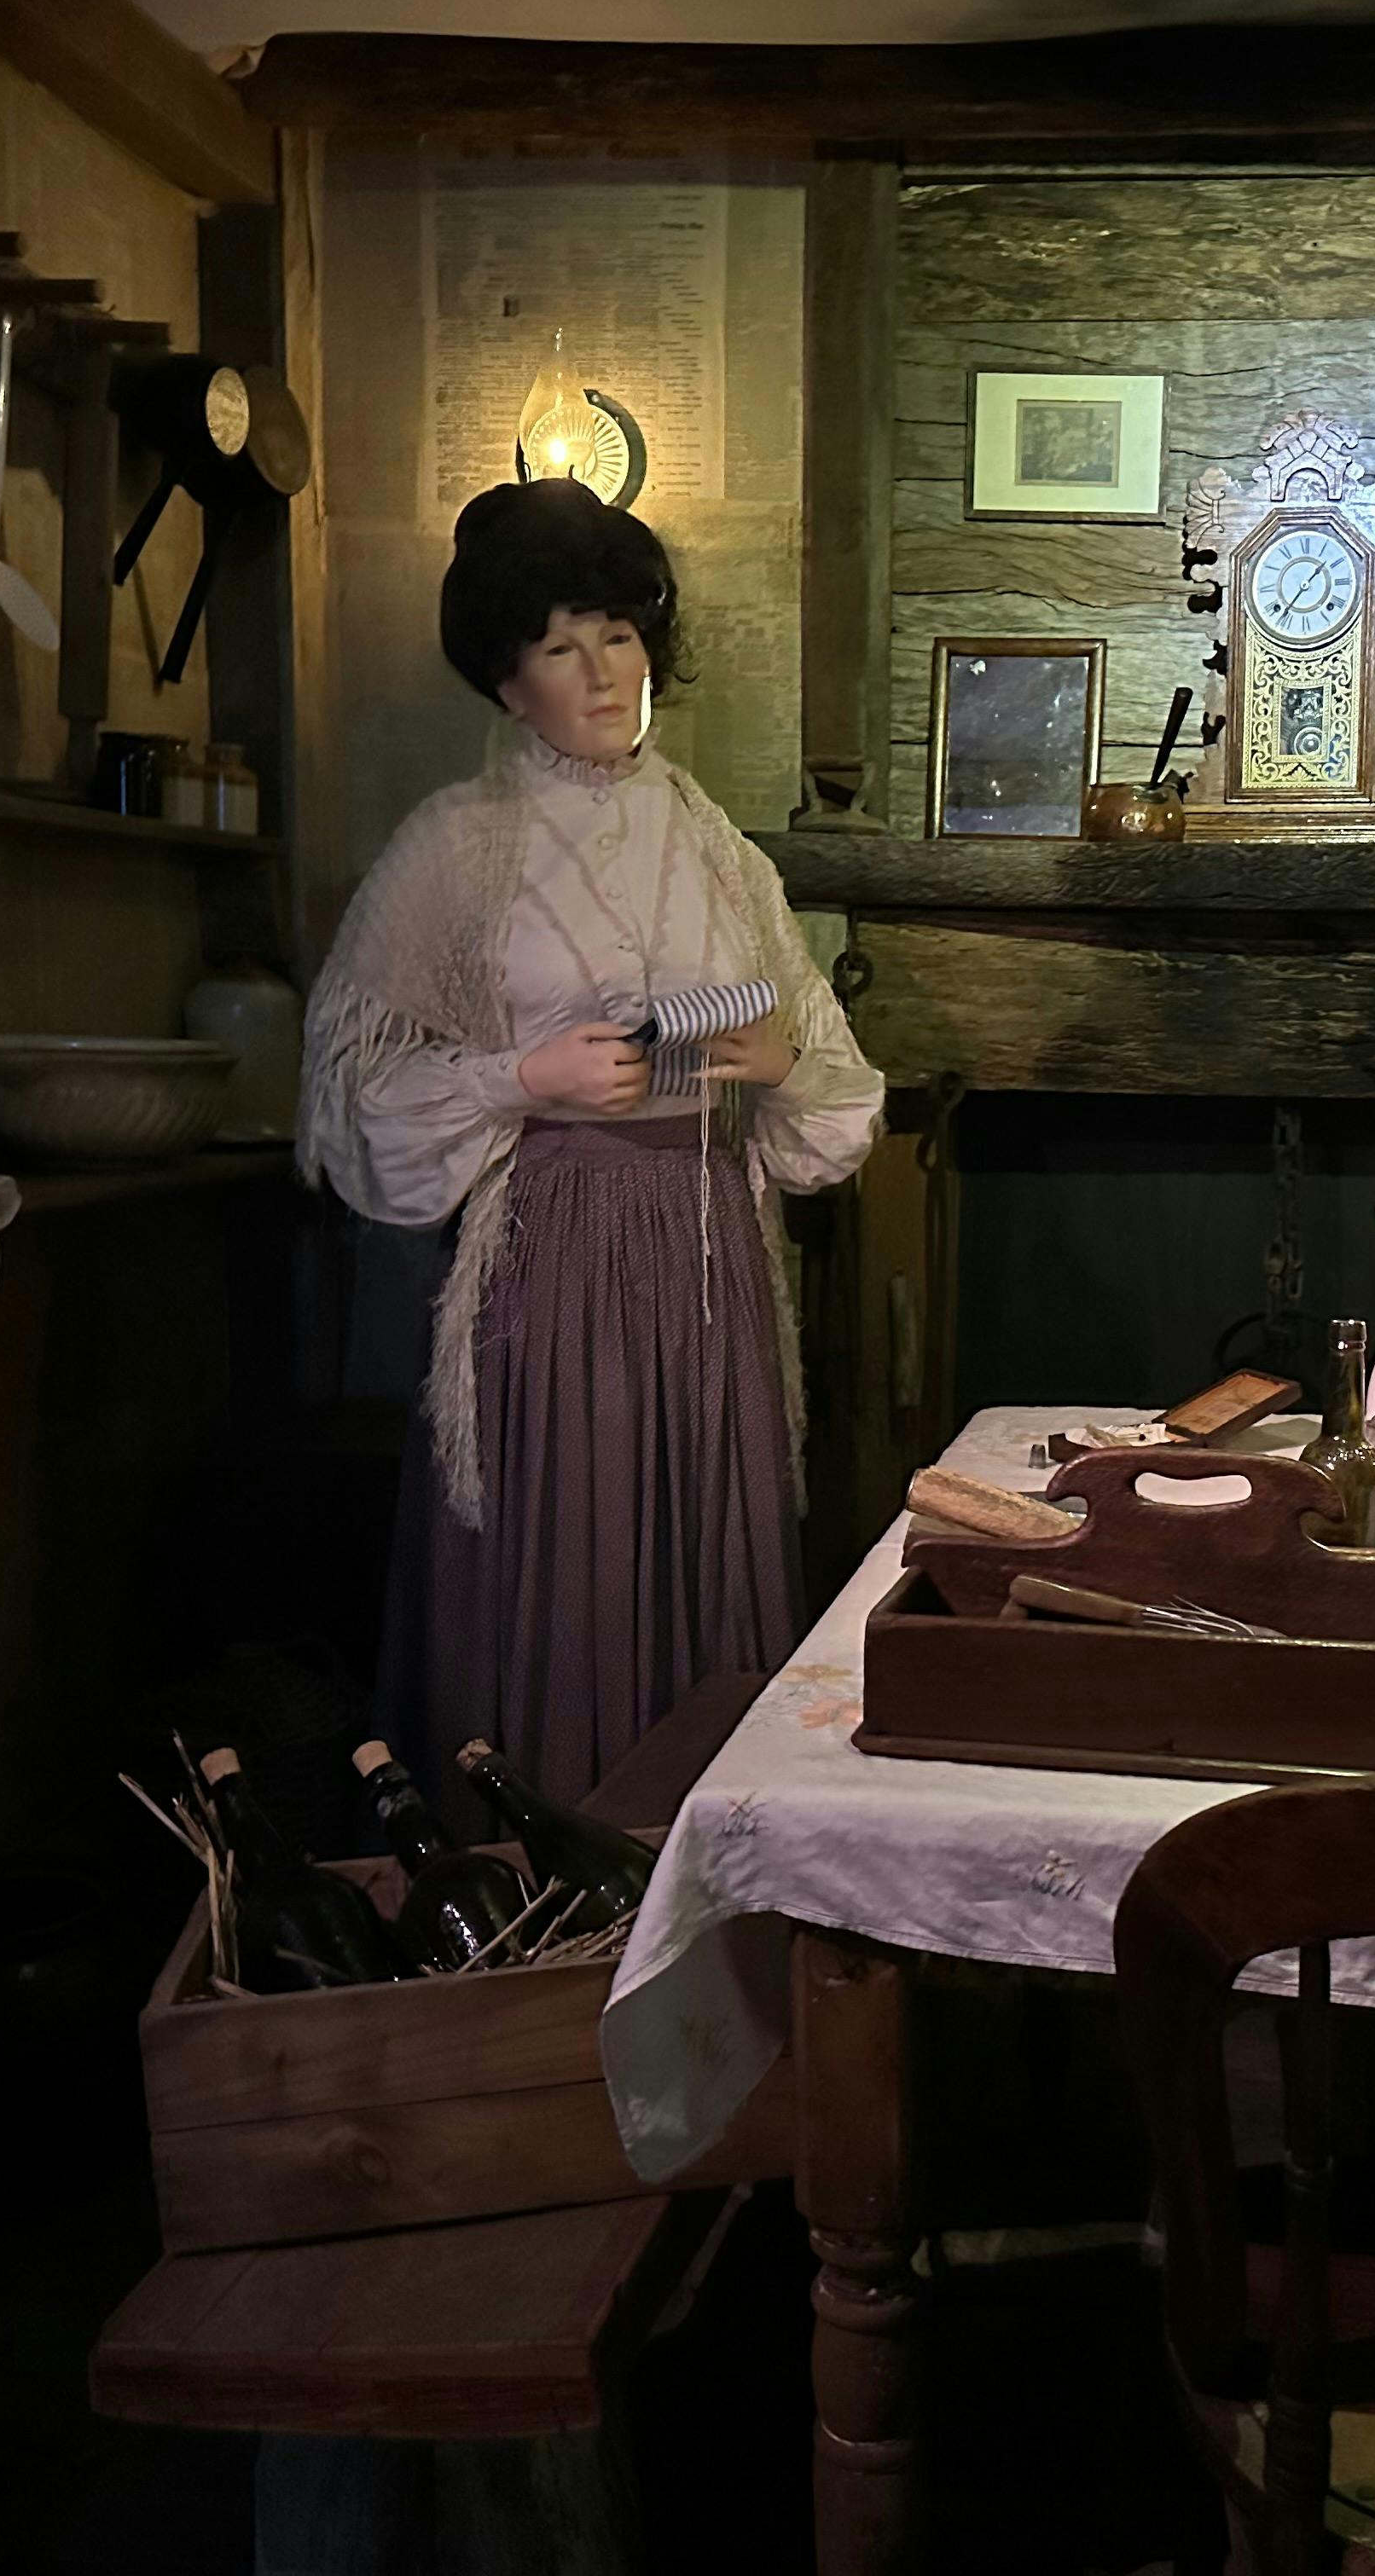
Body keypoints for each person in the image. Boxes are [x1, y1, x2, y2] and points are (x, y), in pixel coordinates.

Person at [299, 478, 885, 1810]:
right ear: (509, 686)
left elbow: (835, 1086)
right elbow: (347, 1084)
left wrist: (774, 1063)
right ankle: (546, 1896)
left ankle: (706, 1883)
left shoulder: (718, 848)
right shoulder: (455, 850)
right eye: (561, 647)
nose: (601, 672)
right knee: (572, 1553)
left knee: (701, 1541)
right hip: (550, 1269)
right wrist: (524, 1075)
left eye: (617, 634)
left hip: (707, 1250)